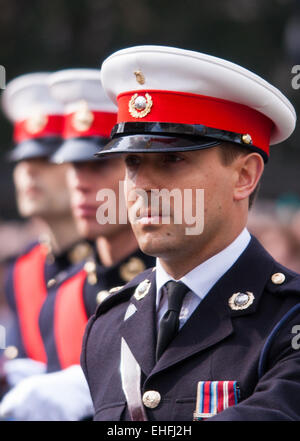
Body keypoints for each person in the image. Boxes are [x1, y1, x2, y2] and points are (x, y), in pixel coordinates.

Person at [80, 45, 300, 421]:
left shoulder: (288, 321)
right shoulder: (107, 325)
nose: (143, 185)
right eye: (133, 162)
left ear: (244, 176)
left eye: (172, 160)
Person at [0, 69, 155, 420]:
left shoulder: (173, 284)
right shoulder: (62, 296)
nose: (80, 183)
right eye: (72, 166)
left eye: (96, 165)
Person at [0, 73, 92, 395]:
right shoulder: (23, 269)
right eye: (22, 160)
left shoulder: (122, 262)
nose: (29, 172)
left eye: (47, 159)